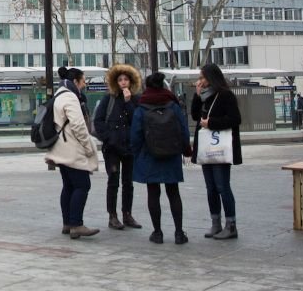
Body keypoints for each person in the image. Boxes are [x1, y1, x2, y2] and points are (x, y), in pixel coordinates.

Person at [131, 72, 192, 245]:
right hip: (171, 154)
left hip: (150, 155)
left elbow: (135, 136)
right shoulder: (173, 104)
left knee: (153, 193)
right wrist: (185, 149)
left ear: (147, 87)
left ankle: (157, 232)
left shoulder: (141, 107)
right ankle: (179, 233)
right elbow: (183, 129)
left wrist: (137, 154)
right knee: (173, 193)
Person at [47, 66, 101, 238]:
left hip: (61, 147)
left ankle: (68, 223)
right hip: (71, 148)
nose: (84, 84)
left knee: (69, 186)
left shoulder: (59, 95)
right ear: (76, 81)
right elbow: (78, 125)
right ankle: (76, 224)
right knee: (82, 185)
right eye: (83, 81)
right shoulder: (70, 97)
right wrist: (88, 147)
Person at [190, 63, 242, 240]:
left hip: (220, 148)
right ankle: (215, 222)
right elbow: (195, 116)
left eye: (203, 77)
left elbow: (235, 119)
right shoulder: (204, 97)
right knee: (210, 187)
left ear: (211, 78)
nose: (200, 81)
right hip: (207, 148)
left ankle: (231, 224)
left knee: (222, 186)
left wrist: (211, 123)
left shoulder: (225, 95)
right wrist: (196, 97)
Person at [93, 63, 143, 231]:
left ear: (131, 81)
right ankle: (112, 215)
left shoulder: (136, 99)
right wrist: (108, 138)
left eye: (126, 79)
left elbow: (137, 120)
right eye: (120, 80)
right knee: (113, 181)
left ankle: (127, 214)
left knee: (128, 182)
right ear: (115, 82)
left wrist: (129, 102)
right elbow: (98, 121)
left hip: (129, 147)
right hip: (113, 148)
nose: (123, 82)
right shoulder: (109, 98)